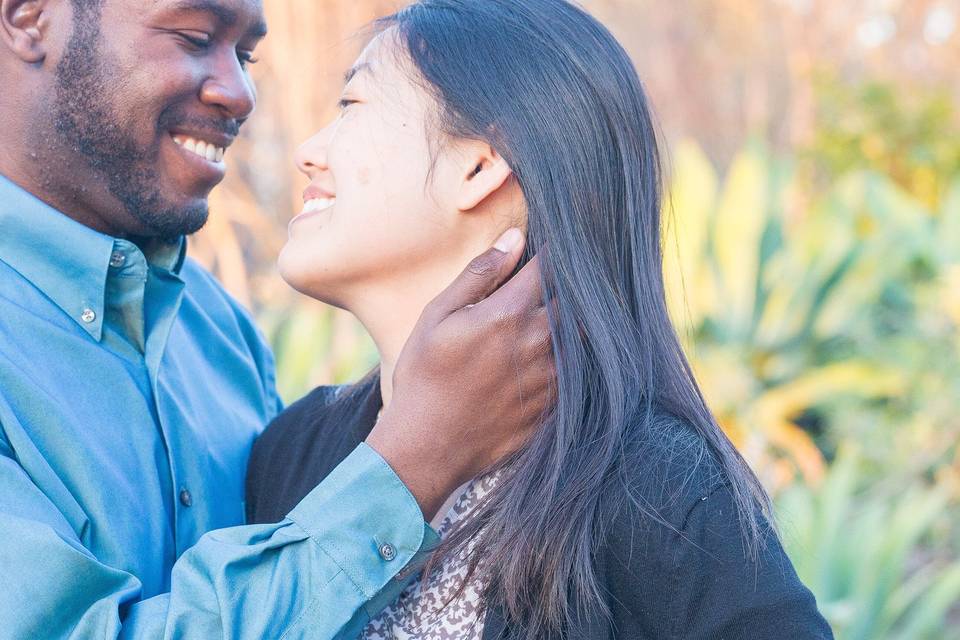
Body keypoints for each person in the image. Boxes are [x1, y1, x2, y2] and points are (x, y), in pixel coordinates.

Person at [245, 1, 835, 638]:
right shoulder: (293, 452)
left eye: (351, 106)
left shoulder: (655, 488)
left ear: (479, 167)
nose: (308, 152)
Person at [0, 0, 554, 637]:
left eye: (245, 56)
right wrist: (413, 465)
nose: (239, 94)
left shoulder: (219, 334)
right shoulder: (411, 442)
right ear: (28, 18)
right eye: (192, 37)